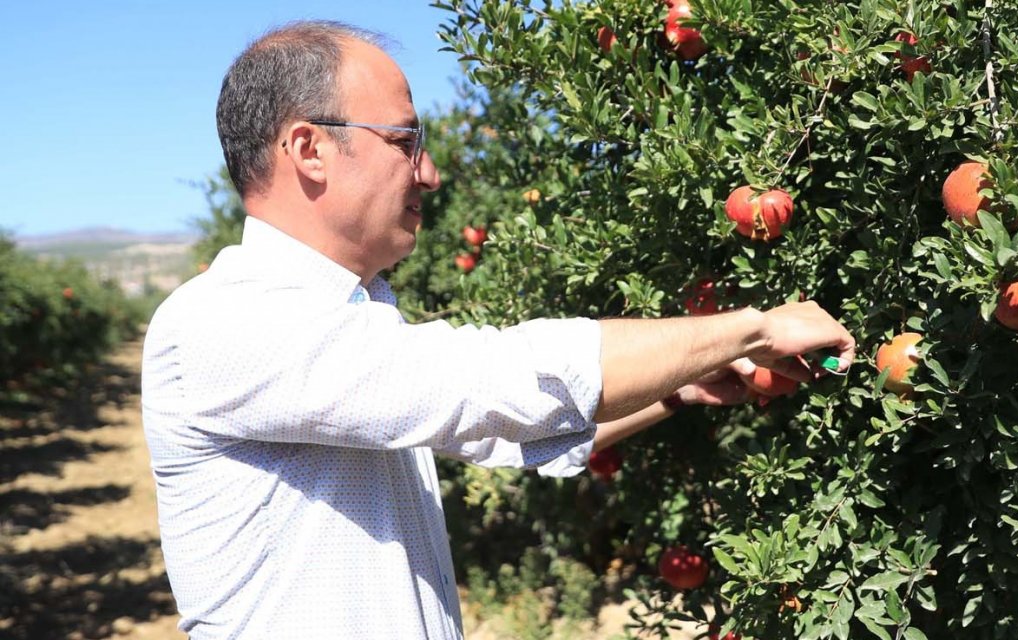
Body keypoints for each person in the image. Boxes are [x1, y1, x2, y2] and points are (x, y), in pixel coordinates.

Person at [141, 20, 857, 639]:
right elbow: (496, 384)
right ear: (308, 149)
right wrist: (752, 329)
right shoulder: (222, 322)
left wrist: (679, 388)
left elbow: (496, 431)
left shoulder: (346, 324)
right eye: (404, 140)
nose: (430, 172)